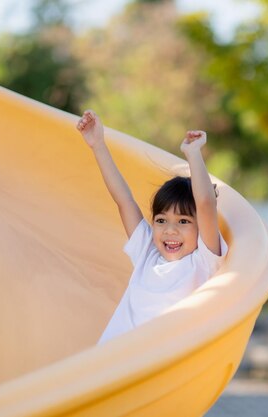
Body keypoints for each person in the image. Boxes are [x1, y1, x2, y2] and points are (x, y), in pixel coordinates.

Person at [76, 110, 228, 344]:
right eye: (161, 220)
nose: (170, 230)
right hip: (111, 362)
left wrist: (193, 154)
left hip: (152, 367)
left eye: (184, 221)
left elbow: (206, 203)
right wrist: (98, 145)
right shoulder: (147, 252)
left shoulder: (202, 263)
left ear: (200, 228)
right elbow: (124, 200)